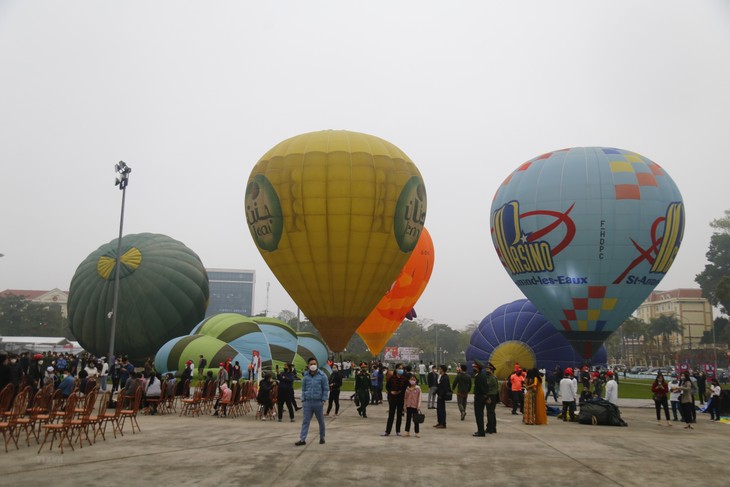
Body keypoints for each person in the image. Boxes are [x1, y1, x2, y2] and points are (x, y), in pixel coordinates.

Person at [295, 357, 329, 446]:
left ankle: (322, 437)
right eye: (311, 364)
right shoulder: (306, 376)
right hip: (307, 402)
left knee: (321, 421)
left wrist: (323, 399)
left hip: (318, 402)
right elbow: (303, 388)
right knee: (305, 421)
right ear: (308, 365)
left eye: (314, 364)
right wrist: (303, 399)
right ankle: (302, 439)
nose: (313, 365)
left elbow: (325, 388)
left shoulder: (322, 375)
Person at [382, 363, 408, 436]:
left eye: (402, 368)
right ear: (396, 369)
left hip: (400, 398)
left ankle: (398, 431)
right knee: (391, 414)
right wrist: (391, 391)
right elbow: (387, 387)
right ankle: (387, 431)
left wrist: (400, 391)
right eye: (399, 368)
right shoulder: (392, 378)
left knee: (399, 415)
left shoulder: (404, 379)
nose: (401, 370)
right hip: (392, 398)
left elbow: (406, 388)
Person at [472, 360, 488, 436]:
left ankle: (481, 431)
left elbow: (482, 388)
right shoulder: (481, 375)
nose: (473, 368)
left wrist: (485, 395)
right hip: (481, 397)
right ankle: (480, 430)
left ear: (477, 367)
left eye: (474, 366)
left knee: (479, 415)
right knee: (479, 414)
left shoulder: (479, 376)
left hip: (479, 398)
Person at [435, 364, 451, 429]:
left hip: (442, 396)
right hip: (439, 395)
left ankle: (443, 423)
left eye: (440, 369)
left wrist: (441, 395)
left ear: (442, 369)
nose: (439, 370)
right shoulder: (441, 376)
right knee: (438, 409)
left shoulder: (445, 377)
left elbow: (444, 388)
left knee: (441, 410)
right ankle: (439, 422)